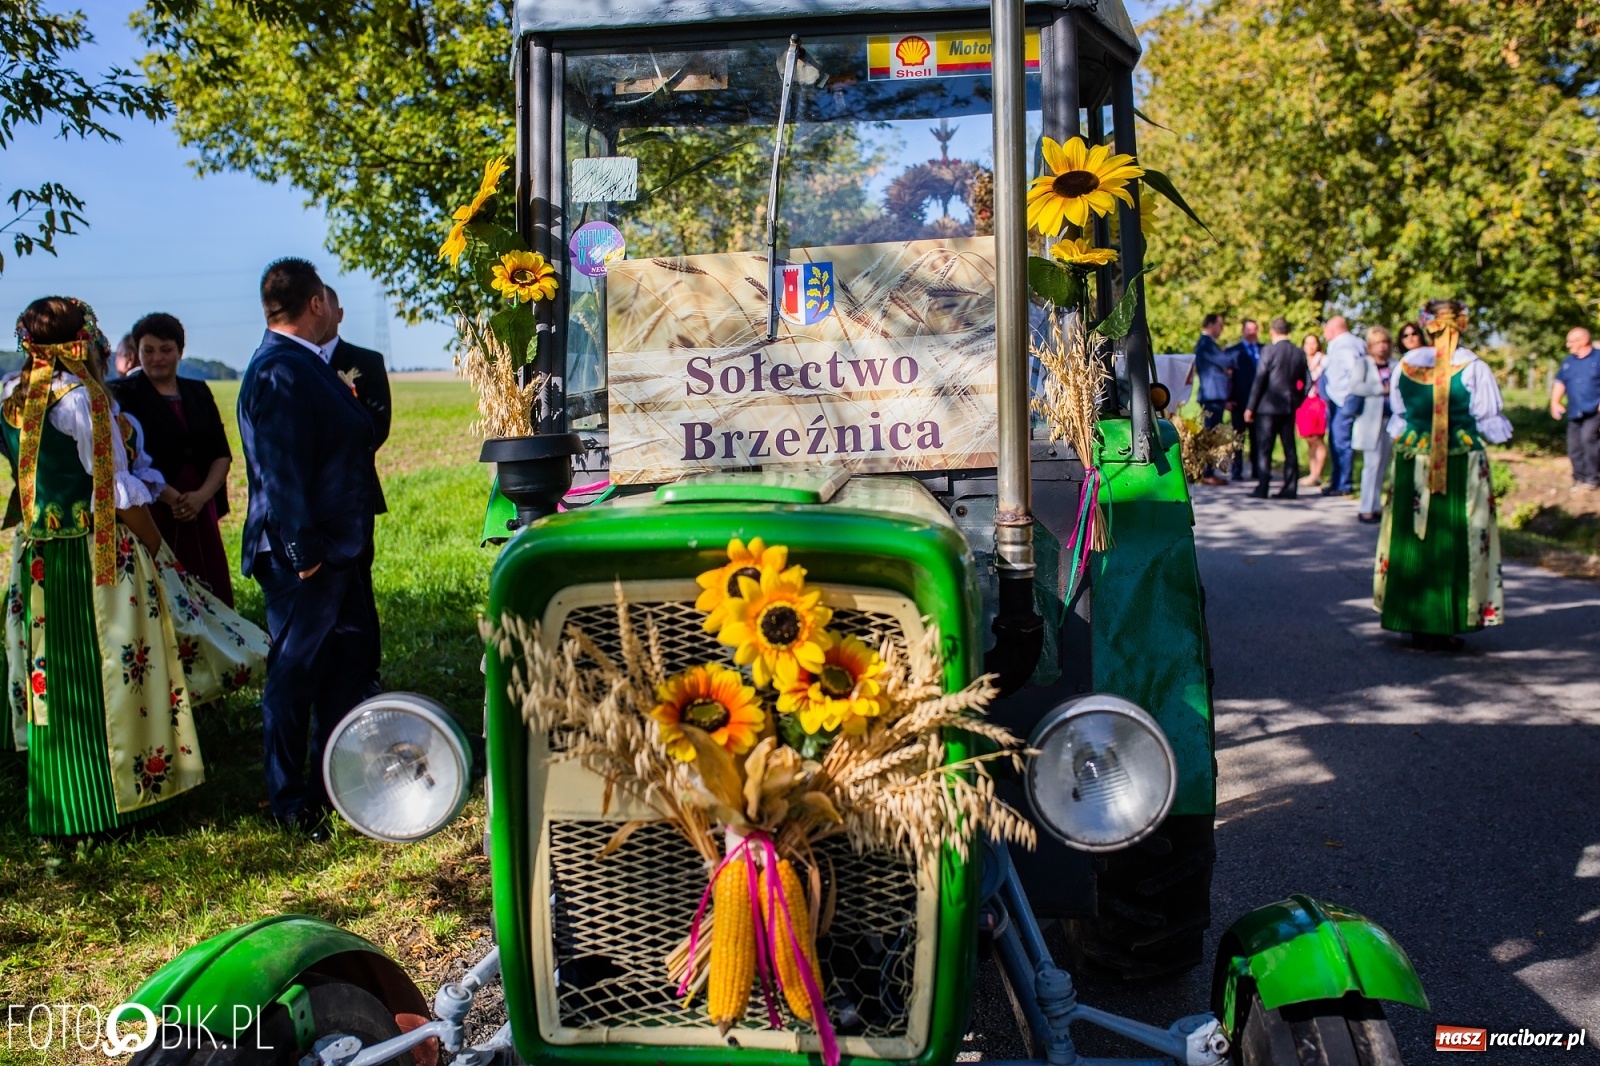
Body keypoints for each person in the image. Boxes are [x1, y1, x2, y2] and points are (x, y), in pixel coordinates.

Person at [1, 297, 266, 838]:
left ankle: (61, 802)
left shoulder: (13, 393)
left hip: (41, 558)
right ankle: (116, 801)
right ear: (82, 341)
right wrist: (157, 549)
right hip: (99, 560)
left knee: (56, 677)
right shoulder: (84, 401)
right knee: (116, 672)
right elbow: (117, 494)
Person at [240, 258, 381, 839]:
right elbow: (280, 471)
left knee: (347, 669)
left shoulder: (300, 363)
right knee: (294, 677)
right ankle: (290, 804)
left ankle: (336, 789)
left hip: (337, 550)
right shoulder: (279, 371)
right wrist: (305, 553)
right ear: (317, 303)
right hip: (306, 556)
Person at [1373, 300, 1511, 649]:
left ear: (1427, 325)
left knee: (1412, 535)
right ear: (1460, 324)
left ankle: (1412, 617)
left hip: (1413, 461)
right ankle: (1445, 620)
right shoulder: (1473, 367)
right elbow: (1489, 420)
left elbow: (1399, 417)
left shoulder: (1407, 364)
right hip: (1459, 462)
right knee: (1456, 535)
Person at [110, 313, 236, 605]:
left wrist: (202, 497)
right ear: (138, 352)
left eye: (166, 350)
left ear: (180, 351)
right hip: (153, 508)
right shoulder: (123, 395)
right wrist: (173, 499)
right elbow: (125, 459)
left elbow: (221, 453)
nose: (157, 358)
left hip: (200, 504)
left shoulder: (198, 391)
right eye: (148, 350)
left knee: (210, 580)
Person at [320, 286, 390, 694]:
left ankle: (367, 672)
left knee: (360, 586)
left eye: (327, 305)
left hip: (355, 492)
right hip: (312, 497)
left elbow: (377, 426)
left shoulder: (365, 362)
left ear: (338, 312)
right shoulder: (299, 362)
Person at [1243, 317, 1308, 498]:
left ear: (1273, 331)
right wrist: (1298, 401)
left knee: (1265, 448)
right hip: (1288, 408)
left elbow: (1260, 379)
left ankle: (1263, 487)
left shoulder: (1268, 351)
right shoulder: (1298, 352)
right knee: (1289, 448)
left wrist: (1250, 407)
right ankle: (1290, 488)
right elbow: (1308, 382)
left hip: (1267, 408)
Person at [1352, 327, 1397, 523]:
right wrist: (1380, 389)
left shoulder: (1395, 364)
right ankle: (1365, 507)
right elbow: (1355, 386)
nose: (1382, 347)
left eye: (1385, 342)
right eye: (1378, 343)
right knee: (1371, 464)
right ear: (1371, 346)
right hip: (1370, 421)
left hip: (1390, 420)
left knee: (1383, 465)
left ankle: (1377, 504)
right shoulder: (1364, 364)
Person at [1321, 315, 1368, 497]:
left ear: (1332, 329)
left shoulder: (1344, 345)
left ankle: (1343, 484)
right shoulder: (1353, 342)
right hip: (1338, 398)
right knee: (1335, 440)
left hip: (1344, 399)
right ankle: (1336, 481)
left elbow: (1355, 371)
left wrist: (1350, 396)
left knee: (1341, 442)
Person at [1550, 327, 1599, 492]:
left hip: (1594, 410)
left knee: (1588, 439)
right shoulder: (1569, 362)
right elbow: (1560, 382)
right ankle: (1579, 478)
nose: (1568, 345)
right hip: (1575, 411)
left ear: (1583, 341)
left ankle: (1593, 478)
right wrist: (1555, 402)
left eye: (1571, 341)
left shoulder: (1598, 358)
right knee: (1574, 446)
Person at [1193, 312, 1235, 485]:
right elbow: (1225, 362)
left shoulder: (1208, 344)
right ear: (1210, 324)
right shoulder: (1206, 344)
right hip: (1212, 394)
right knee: (1210, 434)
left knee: (1212, 433)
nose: (1221, 329)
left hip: (1214, 394)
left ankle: (1208, 471)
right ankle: (1206, 472)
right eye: (1220, 325)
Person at [1227, 318, 1261, 481]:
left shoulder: (1264, 349)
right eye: (1249, 329)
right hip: (1238, 401)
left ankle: (1257, 470)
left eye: (1254, 329)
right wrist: (1227, 399)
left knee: (1257, 438)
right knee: (1238, 438)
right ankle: (1237, 470)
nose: (1252, 332)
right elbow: (1226, 378)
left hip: (1260, 403)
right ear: (1243, 331)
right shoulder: (1232, 351)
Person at [1296, 334, 1329, 486]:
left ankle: (1317, 474)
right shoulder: (1300, 360)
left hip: (1317, 402)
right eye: (1307, 343)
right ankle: (1312, 472)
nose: (1310, 346)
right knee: (1309, 439)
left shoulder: (1323, 360)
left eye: (1313, 343)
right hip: (1303, 402)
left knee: (1317, 438)